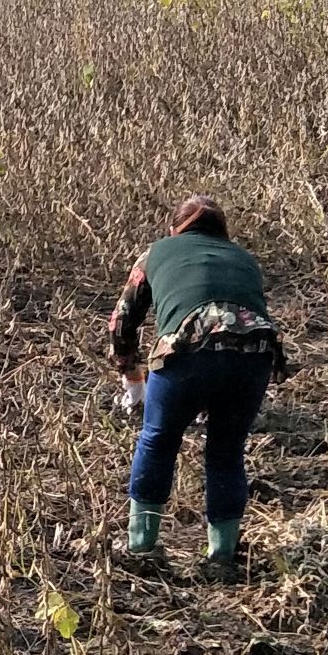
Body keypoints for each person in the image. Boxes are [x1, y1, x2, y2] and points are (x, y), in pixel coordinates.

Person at [107, 195, 291, 579]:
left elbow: (122, 323)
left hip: (186, 352)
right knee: (226, 452)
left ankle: (141, 548)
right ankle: (221, 558)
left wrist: (133, 380)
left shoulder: (156, 253)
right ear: (223, 231)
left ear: (175, 229)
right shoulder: (244, 259)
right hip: (255, 353)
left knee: (158, 441)